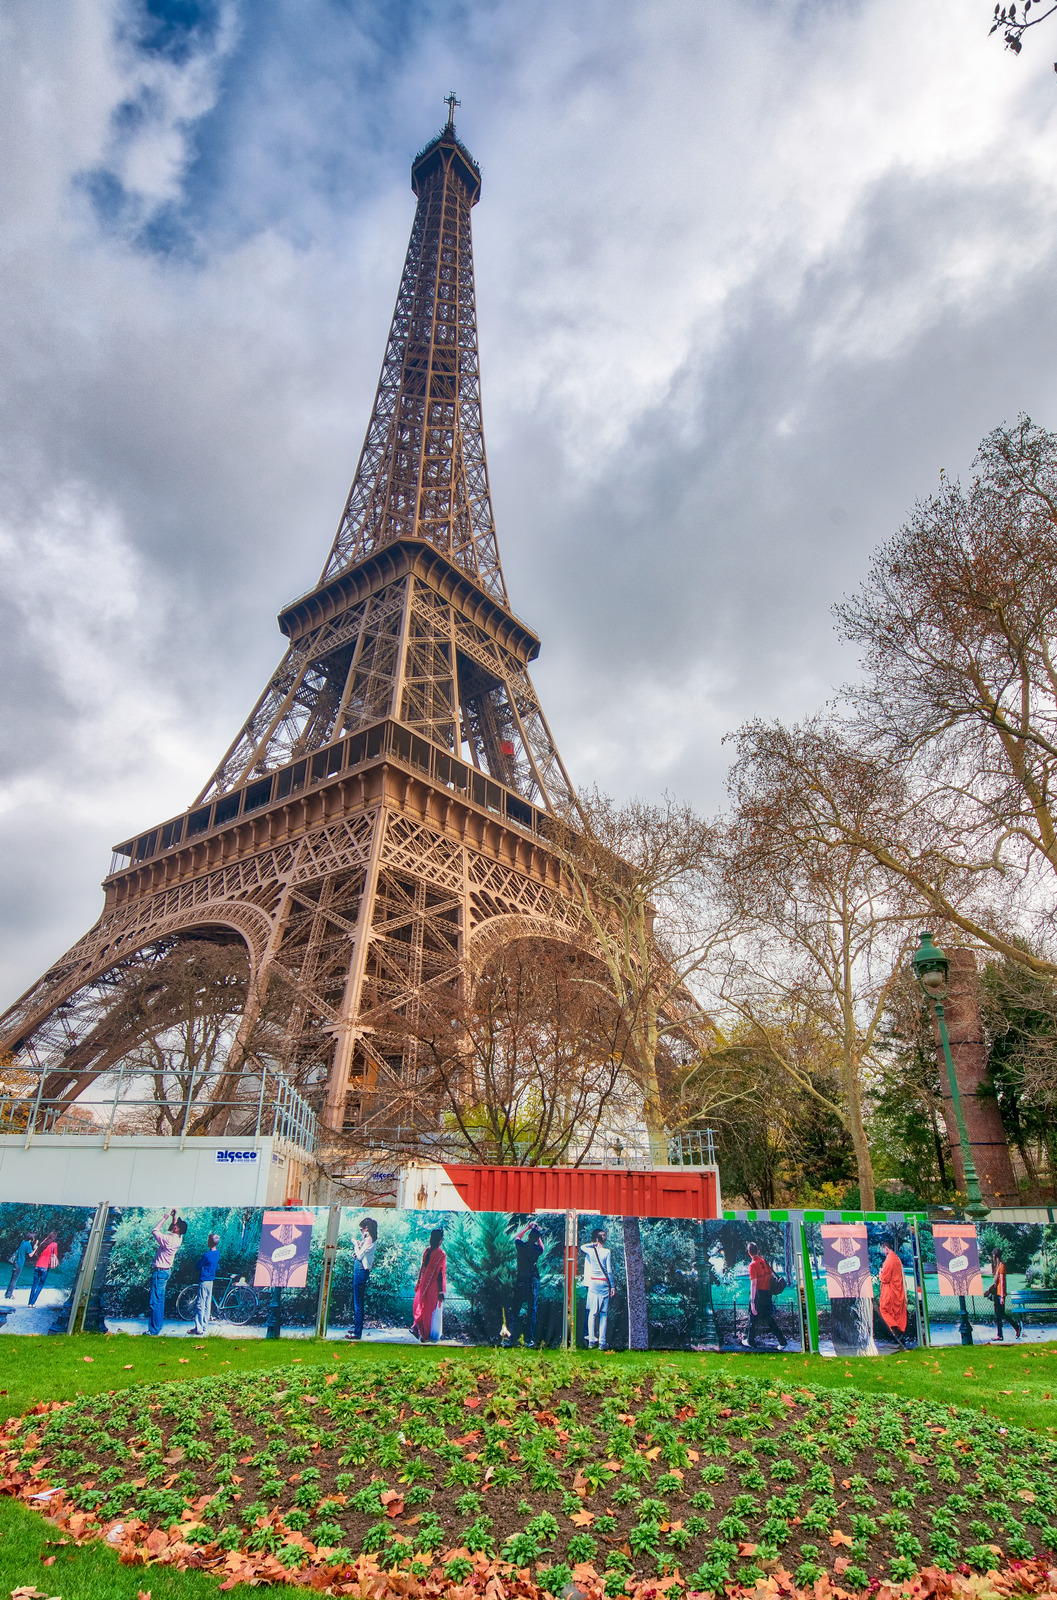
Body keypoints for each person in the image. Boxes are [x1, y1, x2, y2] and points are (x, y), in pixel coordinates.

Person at [148, 1209, 187, 1335]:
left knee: (155, 1302)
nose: (173, 1225)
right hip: (165, 1272)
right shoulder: (178, 1238)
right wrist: (174, 1216)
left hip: (159, 1273)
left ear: (177, 1229)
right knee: (160, 1301)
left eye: (175, 1225)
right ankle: (156, 1328)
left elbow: (154, 1230)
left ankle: (154, 1331)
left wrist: (164, 1218)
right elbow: (174, 1227)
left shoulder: (168, 1240)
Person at [745, 1240, 787, 1349]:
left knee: (754, 1316)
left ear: (749, 1252)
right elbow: (771, 1275)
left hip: (759, 1295)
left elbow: (753, 1284)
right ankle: (781, 1341)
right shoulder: (763, 1261)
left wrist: (753, 1301)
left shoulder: (752, 1265)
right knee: (764, 1318)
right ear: (757, 1251)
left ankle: (751, 1341)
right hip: (767, 1293)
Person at [511, 1219, 544, 1346]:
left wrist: (528, 1227)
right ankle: (528, 1340)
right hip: (533, 1281)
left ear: (529, 1236)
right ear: (536, 1239)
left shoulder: (521, 1246)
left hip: (521, 1279)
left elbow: (517, 1237)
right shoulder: (536, 1249)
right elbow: (542, 1248)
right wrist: (538, 1235)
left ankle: (510, 1338)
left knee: (515, 1309)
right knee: (532, 1310)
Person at [582, 1227, 615, 1350]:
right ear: (603, 1239)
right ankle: (602, 1342)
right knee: (603, 1313)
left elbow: (582, 1247)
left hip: (593, 1283)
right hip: (604, 1283)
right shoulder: (607, 1252)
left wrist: (592, 1244)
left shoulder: (591, 1251)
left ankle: (591, 1340)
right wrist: (613, 1285)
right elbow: (609, 1271)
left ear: (596, 1239)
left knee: (592, 1313)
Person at [411, 1226, 446, 1342]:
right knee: (429, 1311)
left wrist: (419, 1282)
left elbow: (423, 1269)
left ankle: (418, 1329)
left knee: (422, 1306)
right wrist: (441, 1291)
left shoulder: (427, 1251)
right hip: (433, 1286)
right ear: (440, 1240)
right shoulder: (441, 1254)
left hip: (423, 1284)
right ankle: (423, 1335)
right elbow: (440, 1273)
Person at [346, 1217, 378, 1341]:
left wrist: (355, 1244)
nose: (361, 1232)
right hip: (361, 1270)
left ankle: (357, 1332)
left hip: (361, 1270)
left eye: (361, 1229)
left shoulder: (369, 1239)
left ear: (367, 1228)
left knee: (358, 1303)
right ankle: (356, 1328)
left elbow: (359, 1256)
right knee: (357, 1302)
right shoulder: (369, 1238)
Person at [878, 1235, 912, 1349]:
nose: (882, 1251)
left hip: (891, 1291)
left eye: (883, 1249)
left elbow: (885, 1278)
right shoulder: (896, 1258)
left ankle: (895, 1331)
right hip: (898, 1291)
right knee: (896, 1313)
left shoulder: (889, 1260)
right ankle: (898, 1333)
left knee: (884, 1309)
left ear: (886, 1248)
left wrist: (880, 1273)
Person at [988, 1247, 1023, 1342]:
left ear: (995, 1255)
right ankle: (1001, 1334)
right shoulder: (997, 1266)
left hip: (1000, 1294)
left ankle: (1015, 1328)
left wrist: (1002, 1297)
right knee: (998, 1315)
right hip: (996, 1294)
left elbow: (1002, 1282)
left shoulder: (1001, 1266)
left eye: (993, 1255)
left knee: (1001, 1314)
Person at [192, 1232, 220, 1336]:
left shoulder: (206, 1255)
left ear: (209, 1242)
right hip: (211, 1281)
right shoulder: (217, 1253)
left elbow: (198, 1265)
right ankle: (204, 1325)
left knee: (200, 1303)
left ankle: (198, 1328)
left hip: (204, 1280)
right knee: (208, 1303)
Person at [27, 1233, 59, 1307]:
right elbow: (55, 1255)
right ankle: (33, 1303)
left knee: (34, 1285)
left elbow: (37, 1254)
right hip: (45, 1267)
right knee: (40, 1285)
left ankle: (29, 1303)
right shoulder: (54, 1244)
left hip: (37, 1265)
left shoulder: (43, 1244)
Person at [5, 1233, 36, 1300]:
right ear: (32, 1239)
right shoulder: (28, 1245)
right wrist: (35, 1249)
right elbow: (30, 1255)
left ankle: (8, 1293)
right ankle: (9, 1295)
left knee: (12, 1278)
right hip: (19, 1263)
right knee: (14, 1279)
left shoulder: (23, 1242)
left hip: (15, 1262)